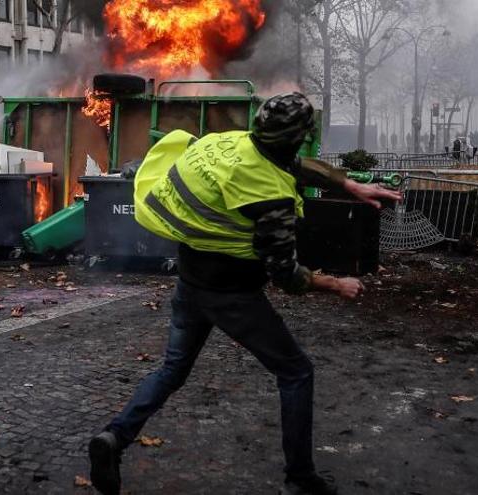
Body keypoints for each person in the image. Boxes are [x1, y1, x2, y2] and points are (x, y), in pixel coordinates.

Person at [88, 93, 402, 495]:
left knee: (172, 370)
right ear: (299, 137)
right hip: (232, 294)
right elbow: (285, 275)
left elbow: (295, 164)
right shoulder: (271, 199)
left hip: (191, 281)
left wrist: (351, 184)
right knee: (296, 371)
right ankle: (300, 479)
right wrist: (335, 284)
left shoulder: (233, 142)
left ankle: (114, 437)